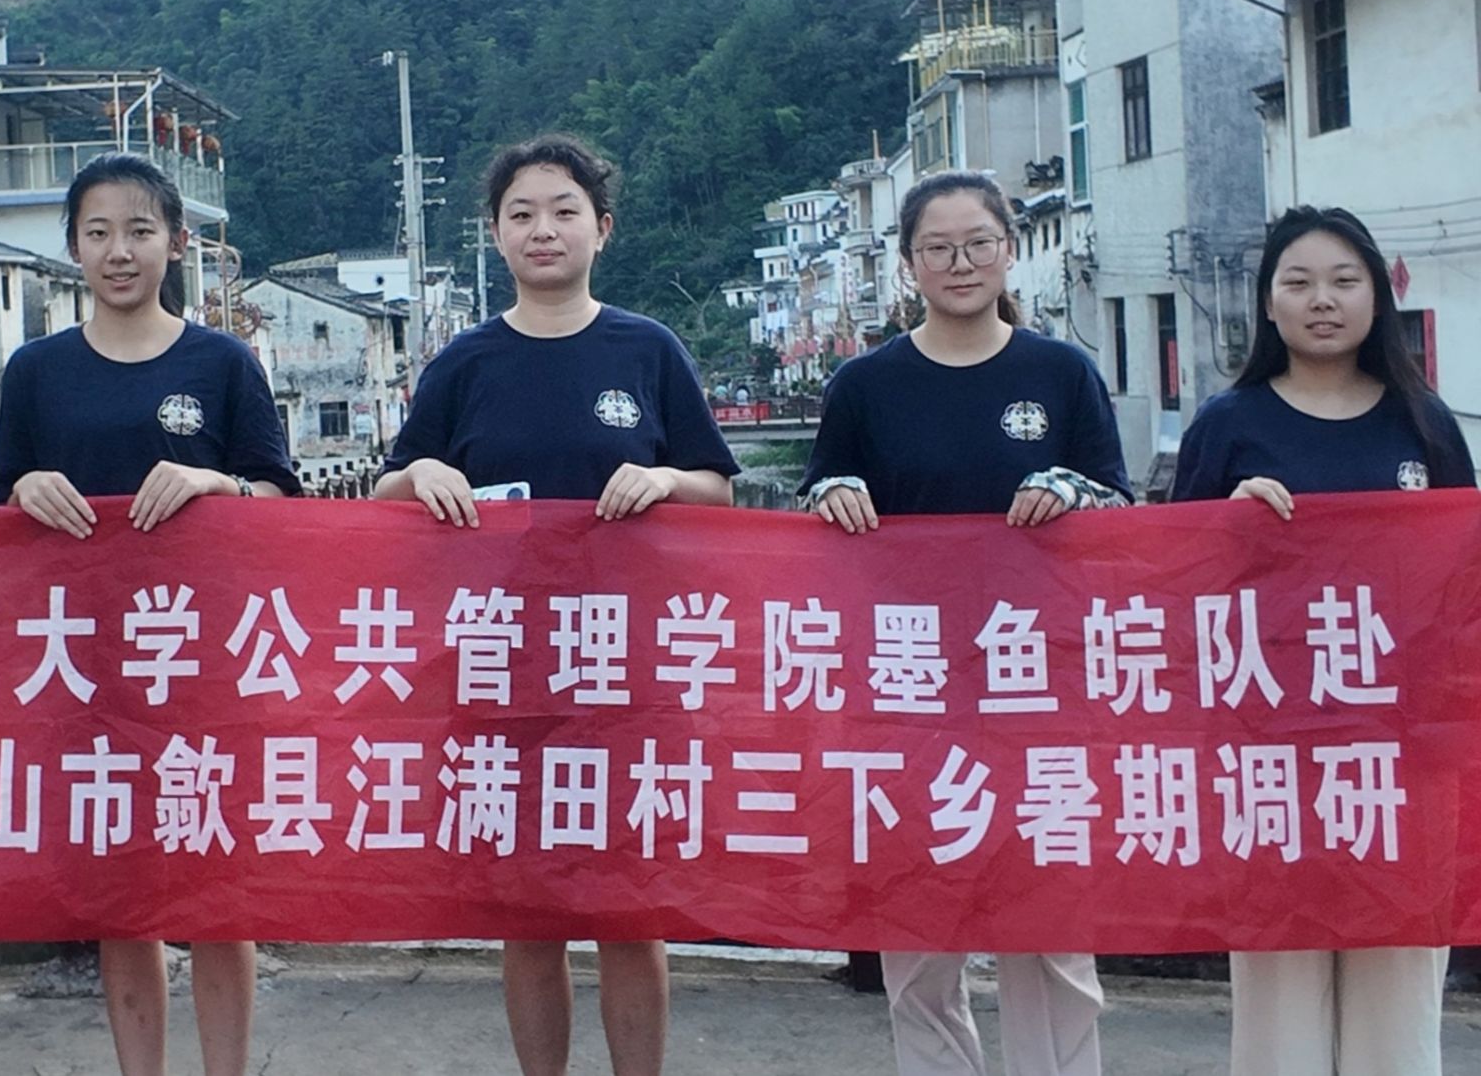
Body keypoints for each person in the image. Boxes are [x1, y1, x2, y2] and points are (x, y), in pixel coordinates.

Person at [375, 133, 739, 1076]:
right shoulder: (464, 363)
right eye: (522, 214)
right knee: (528, 913)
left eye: (564, 211)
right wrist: (419, 474)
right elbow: (386, 493)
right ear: (496, 235)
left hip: (626, 668)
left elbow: (717, 488)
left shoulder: (647, 350)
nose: (544, 229)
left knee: (630, 911)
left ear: (602, 228)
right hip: (502, 670)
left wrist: (665, 482)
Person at [799, 169, 1130, 1076]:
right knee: (919, 930)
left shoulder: (1061, 373)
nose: (959, 262)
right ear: (908, 264)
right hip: (909, 685)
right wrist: (833, 496)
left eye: (978, 242)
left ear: (1008, 250)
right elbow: (820, 506)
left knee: (1051, 930)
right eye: (937, 248)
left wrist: (1074, 493)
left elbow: (1121, 508)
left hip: (1038, 682)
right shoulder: (864, 385)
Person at [0, 152, 298, 1076]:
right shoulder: (36, 370)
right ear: (73, 248)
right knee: (122, 895)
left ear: (177, 243)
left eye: (139, 230)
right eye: (98, 233)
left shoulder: (223, 362)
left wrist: (218, 483)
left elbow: (283, 503)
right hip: (84, 665)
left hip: (207, 662)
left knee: (217, 891)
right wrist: (25, 491)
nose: (119, 251)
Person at [1172, 205, 1471, 1076]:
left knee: (1399, 1007)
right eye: (1298, 283)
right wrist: (1225, 529)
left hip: (1403, 755)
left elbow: (1464, 587)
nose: (1323, 301)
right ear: (1268, 304)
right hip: (1272, 755)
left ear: (1378, 295)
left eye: (1345, 281)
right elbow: (1169, 588)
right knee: (1280, 1012)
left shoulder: (1425, 424)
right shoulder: (1228, 425)